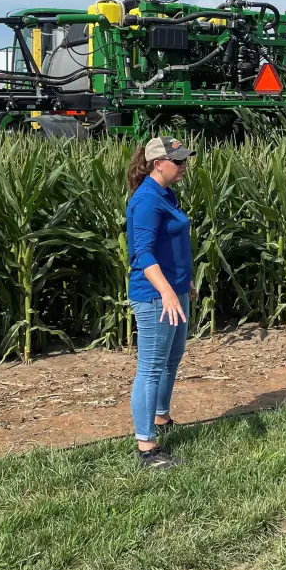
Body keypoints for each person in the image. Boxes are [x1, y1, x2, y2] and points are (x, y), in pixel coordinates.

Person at [125, 134, 197, 469]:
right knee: (151, 367)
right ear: (158, 164)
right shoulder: (147, 200)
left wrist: (184, 283)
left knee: (172, 359)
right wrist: (168, 291)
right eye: (178, 160)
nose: (183, 165)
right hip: (156, 297)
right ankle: (146, 446)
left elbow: (172, 245)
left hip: (174, 291)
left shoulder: (166, 194)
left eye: (184, 159)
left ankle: (162, 418)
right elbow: (143, 253)